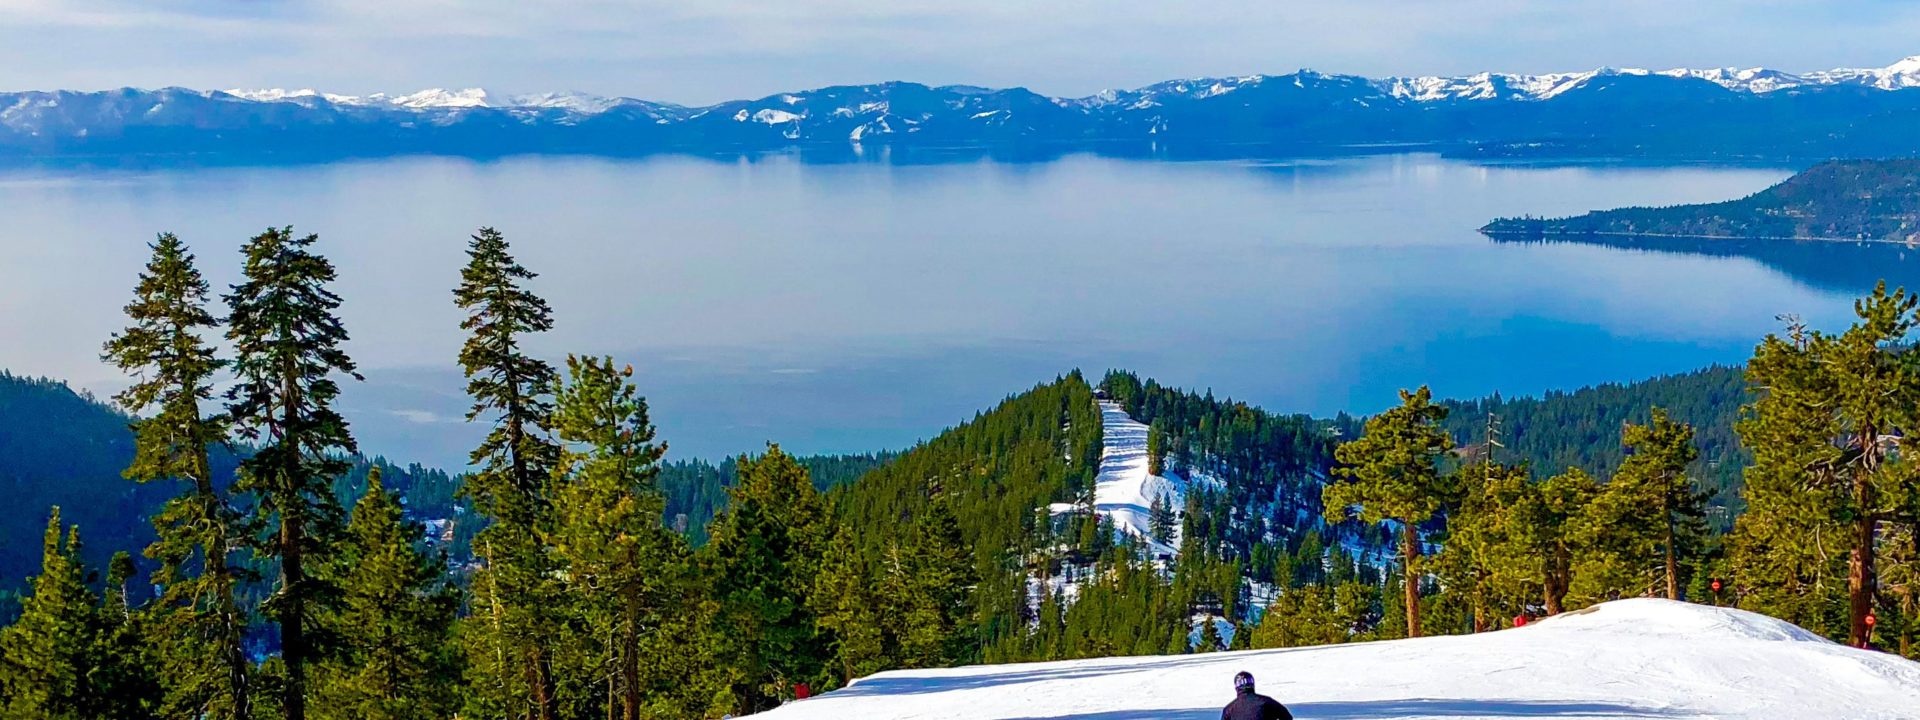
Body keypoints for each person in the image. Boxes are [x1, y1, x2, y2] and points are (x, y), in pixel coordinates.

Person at [1222, 671, 1293, 720]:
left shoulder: (1229, 709)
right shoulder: (1266, 702)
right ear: (1252, 685)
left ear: (1236, 687)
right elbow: (1287, 717)